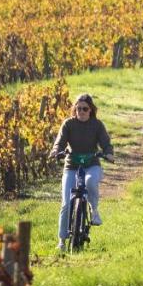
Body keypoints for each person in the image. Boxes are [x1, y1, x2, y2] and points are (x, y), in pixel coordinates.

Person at [50, 93, 113, 250]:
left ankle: (94, 210)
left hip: (92, 164)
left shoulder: (97, 125)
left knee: (90, 181)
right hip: (71, 166)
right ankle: (61, 241)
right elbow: (60, 141)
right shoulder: (68, 124)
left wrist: (108, 153)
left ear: (90, 110)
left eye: (85, 109)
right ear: (74, 110)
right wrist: (56, 151)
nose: (81, 112)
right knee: (66, 203)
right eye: (78, 109)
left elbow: (106, 143)